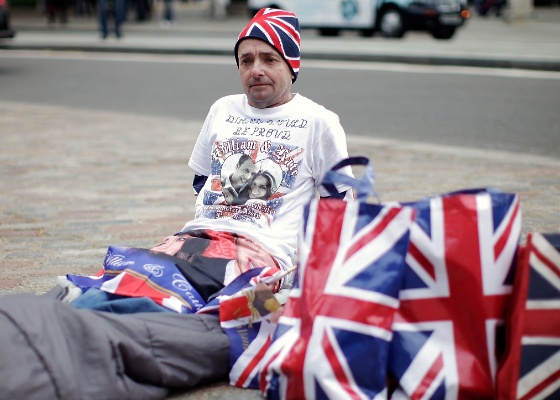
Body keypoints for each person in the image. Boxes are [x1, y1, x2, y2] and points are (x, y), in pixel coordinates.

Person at [0, 8, 351, 399]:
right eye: (246, 60)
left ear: (291, 65)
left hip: (259, 254)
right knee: (129, 284)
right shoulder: (223, 109)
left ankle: (57, 339)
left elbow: (339, 209)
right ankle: (49, 330)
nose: (256, 70)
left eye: (269, 59)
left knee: (167, 307)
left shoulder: (319, 122)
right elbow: (202, 180)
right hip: (195, 238)